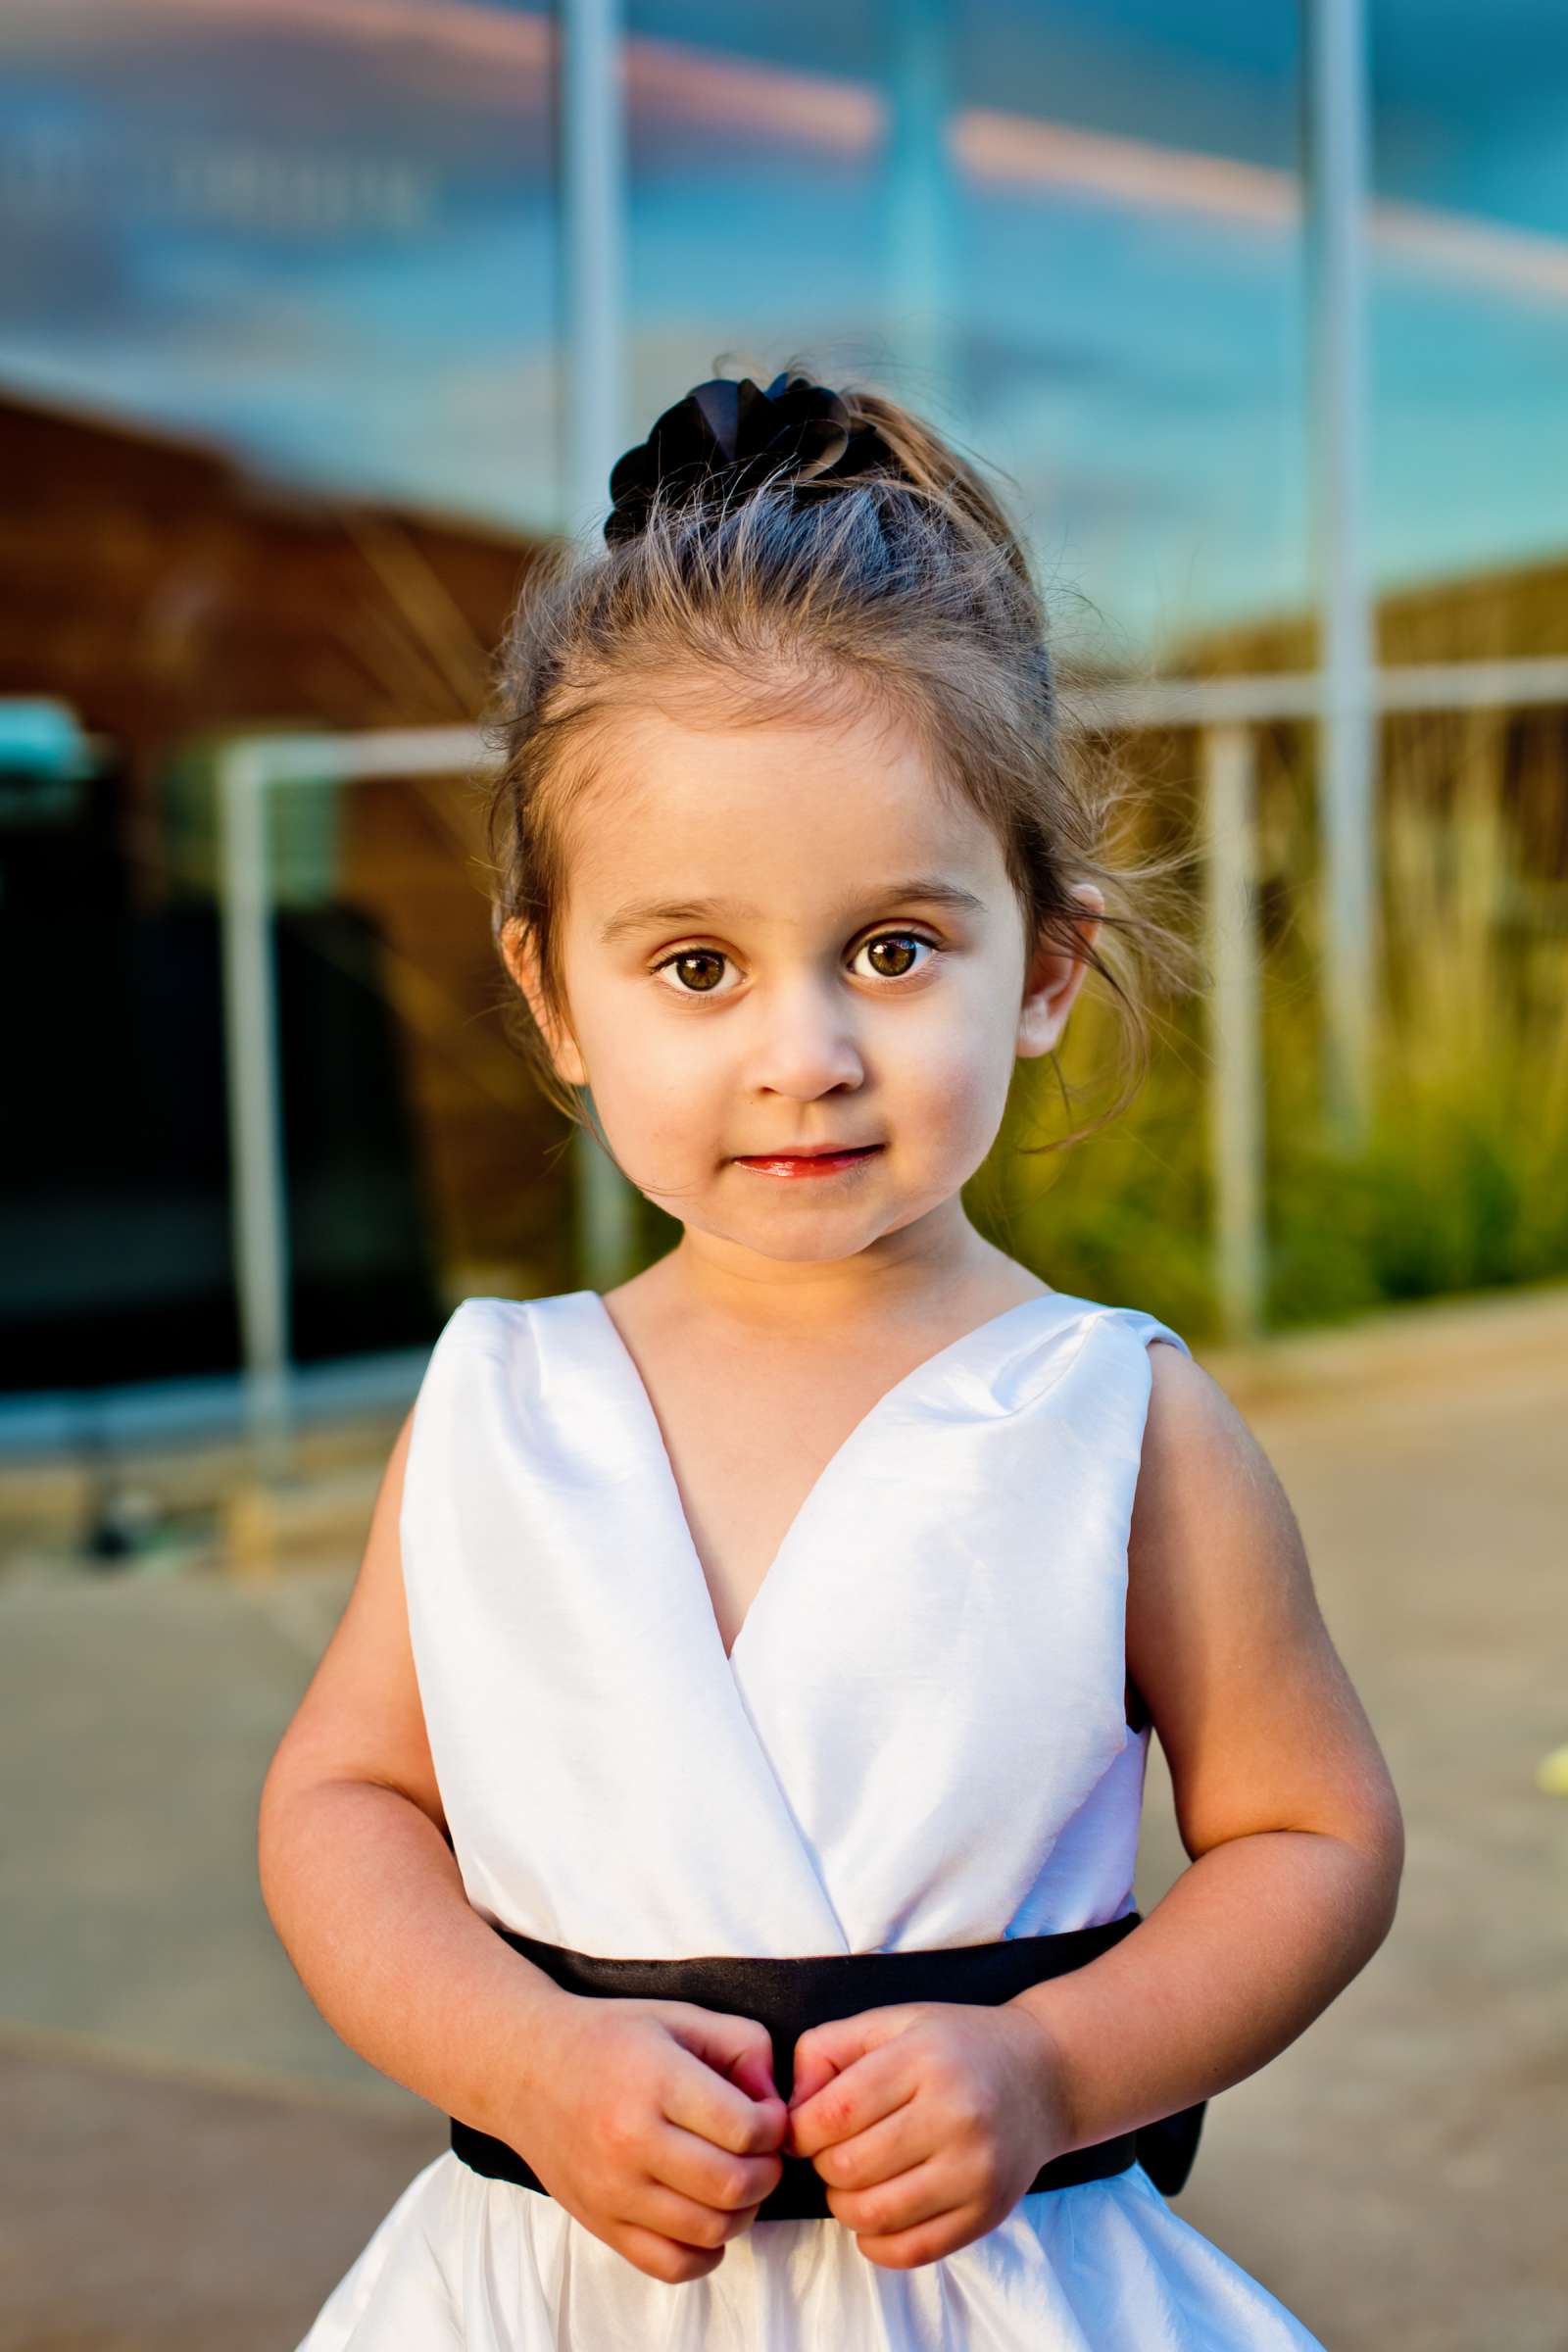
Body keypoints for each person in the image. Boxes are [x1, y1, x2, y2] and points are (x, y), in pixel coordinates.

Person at [261, 364, 1403, 2351]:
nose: (801, 1052)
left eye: (889, 948)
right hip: (560, 2290)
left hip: (976, 2290)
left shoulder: (1113, 1421)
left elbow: (1307, 1839)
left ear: (1040, 962)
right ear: (551, 990)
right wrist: (524, 2059)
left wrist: (1053, 2068)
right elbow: (344, 1806)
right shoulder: (500, 1412)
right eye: (694, 966)